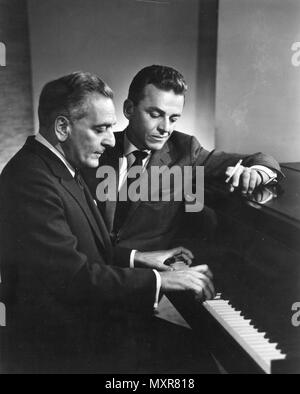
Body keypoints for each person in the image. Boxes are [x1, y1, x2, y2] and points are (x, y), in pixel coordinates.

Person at [0, 72, 216, 374]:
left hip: (81, 327)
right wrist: (161, 280)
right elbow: (72, 278)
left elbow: (77, 251)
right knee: (198, 359)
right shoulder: (32, 180)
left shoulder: (58, 168)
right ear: (62, 127)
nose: (109, 140)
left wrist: (137, 258)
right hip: (63, 347)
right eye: (100, 129)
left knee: (196, 349)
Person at [83, 65, 283, 252]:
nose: (165, 128)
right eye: (155, 114)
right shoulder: (97, 147)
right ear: (129, 109)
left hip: (152, 276)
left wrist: (257, 173)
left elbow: (262, 159)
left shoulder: (185, 151)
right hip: (94, 270)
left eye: (173, 118)